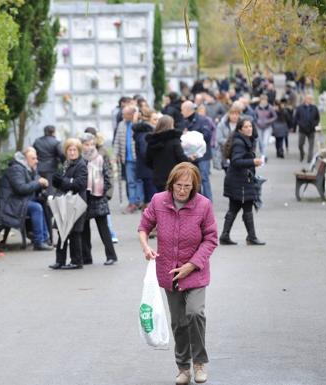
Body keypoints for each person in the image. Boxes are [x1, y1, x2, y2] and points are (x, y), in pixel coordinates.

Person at [138, 162, 218, 385]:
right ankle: (183, 368)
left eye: (187, 186)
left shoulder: (203, 205)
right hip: (169, 272)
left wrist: (191, 265)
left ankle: (199, 362)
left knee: (195, 313)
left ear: (194, 187)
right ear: (171, 184)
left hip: (195, 270)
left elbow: (211, 238)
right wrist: (146, 247)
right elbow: (143, 226)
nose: (182, 190)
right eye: (178, 185)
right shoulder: (158, 201)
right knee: (179, 323)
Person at [220, 119, 266, 246]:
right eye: (246, 127)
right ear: (240, 129)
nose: (249, 129)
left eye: (250, 126)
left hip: (239, 180)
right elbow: (236, 161)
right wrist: (253, 162)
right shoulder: (240, 143)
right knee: (247, 207)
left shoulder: (243, 140)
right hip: (240, 181)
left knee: (234, 208)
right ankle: (251, 237)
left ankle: (225, 235)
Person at [0, 148, 52, 251]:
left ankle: (45, 238)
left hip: (18, 201)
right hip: (10, 204)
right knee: (36, 207)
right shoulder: (16, 169)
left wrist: (42, 182)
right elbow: (21, 188)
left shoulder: (28, 168)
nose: (36, 161)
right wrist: (38, 183)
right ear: (25, 159)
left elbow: (34, 181)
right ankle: (38, 242)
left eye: (36, 158)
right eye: (33, 158)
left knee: (42, 203)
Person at [49, 138, 88, 270]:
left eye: (74, 150)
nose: (72, 152)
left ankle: (77, 261)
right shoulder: (66, 163)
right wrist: (56, 180)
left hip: (76, 202)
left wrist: (64, 181)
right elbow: (62, 182)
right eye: (69, 150)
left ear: (78, 151)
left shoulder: (81, 164)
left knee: (75, 233)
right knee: (62, 231)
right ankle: (60, 261)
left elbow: (80, 184)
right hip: (65, 201)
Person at [80, 133, 118, 266]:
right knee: (84, 228)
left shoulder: (100, 158)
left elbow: (108, 176)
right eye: (86, 144)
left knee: (103, 228)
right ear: (82, 145)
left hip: (98, 196)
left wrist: (103, 193)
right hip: (83, 196)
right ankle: (86, 257)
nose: (89, 147)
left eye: (91, 144)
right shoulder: (79, 159)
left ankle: (111, 256)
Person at [85, 127, 119, 244]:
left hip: (100, 189)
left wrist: (108, 192)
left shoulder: (102, 151)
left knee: (104, 215)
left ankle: (111, 234)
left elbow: (108, 172)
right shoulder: (83, 153)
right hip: (88, 190)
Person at [145, 116, 191, 192]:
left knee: (162, 200)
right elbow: (181, 158)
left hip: (158, 177)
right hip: (174, 176)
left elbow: (148, 161)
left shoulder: (152, 141)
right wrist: (190, 159)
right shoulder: (174, 140)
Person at [179, 101, 213, 201]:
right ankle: (197, 201)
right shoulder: (183, 122)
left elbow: (207, 136)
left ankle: (208, 202)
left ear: (188, 110)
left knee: (204, 178)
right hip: (190, 156)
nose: (181, 112)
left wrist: (191, 135)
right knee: (193, 179)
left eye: (182, 110)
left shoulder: (203, 120)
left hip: (203, 155)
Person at [113, 105, 143, 213]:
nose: (122, 116)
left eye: (124, 114)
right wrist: (115, 155)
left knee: (139, 180)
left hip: (139, 158)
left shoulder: (139, 124)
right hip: (127, 159)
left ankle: (140, 201)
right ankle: (132, 202)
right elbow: (117, 141)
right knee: (131, 182)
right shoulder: (121, 125)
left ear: (131, 114)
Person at [133, 108, 158, 204]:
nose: (157, 122)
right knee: (152, 200)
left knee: (149, 199)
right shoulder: (145, 134)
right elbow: (146, 153)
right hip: (149, 171)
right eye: (155, 119)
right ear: (148, 120)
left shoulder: (145, 132)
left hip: (147, 170)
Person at [216, 102, 243, 172]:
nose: (234, 116)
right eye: (232, 114)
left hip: (240, 154)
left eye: (236, 114)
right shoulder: (221, 125)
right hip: (226, 154)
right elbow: (219, 139)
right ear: (228, 115)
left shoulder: (243, 125)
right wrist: (231, 142)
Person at [293, 94, 320, 163]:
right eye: (308, 99)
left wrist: (315, 124)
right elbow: (296, 118)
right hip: (302, 129)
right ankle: (302, 154)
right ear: (305, 99)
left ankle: (309, 159)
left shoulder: (314, 108)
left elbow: (317, 118)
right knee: (300, 144)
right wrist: (297, 125)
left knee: (311, 145)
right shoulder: (300, 108)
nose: (310, 100)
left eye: (311, 99)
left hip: (311, 129)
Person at [255, 94, 277, 158]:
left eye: (265, 100)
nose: (263, 101)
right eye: (262, 100)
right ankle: (263, 153)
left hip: (267, 127)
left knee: (265, 142)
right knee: (260, 142)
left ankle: (264, 156)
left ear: (267, 100)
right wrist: (257, 121)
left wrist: (268, 120)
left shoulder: (270, 108)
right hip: (259, 127)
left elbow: (275, 116)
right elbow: (255, 116)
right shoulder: (257, 108)